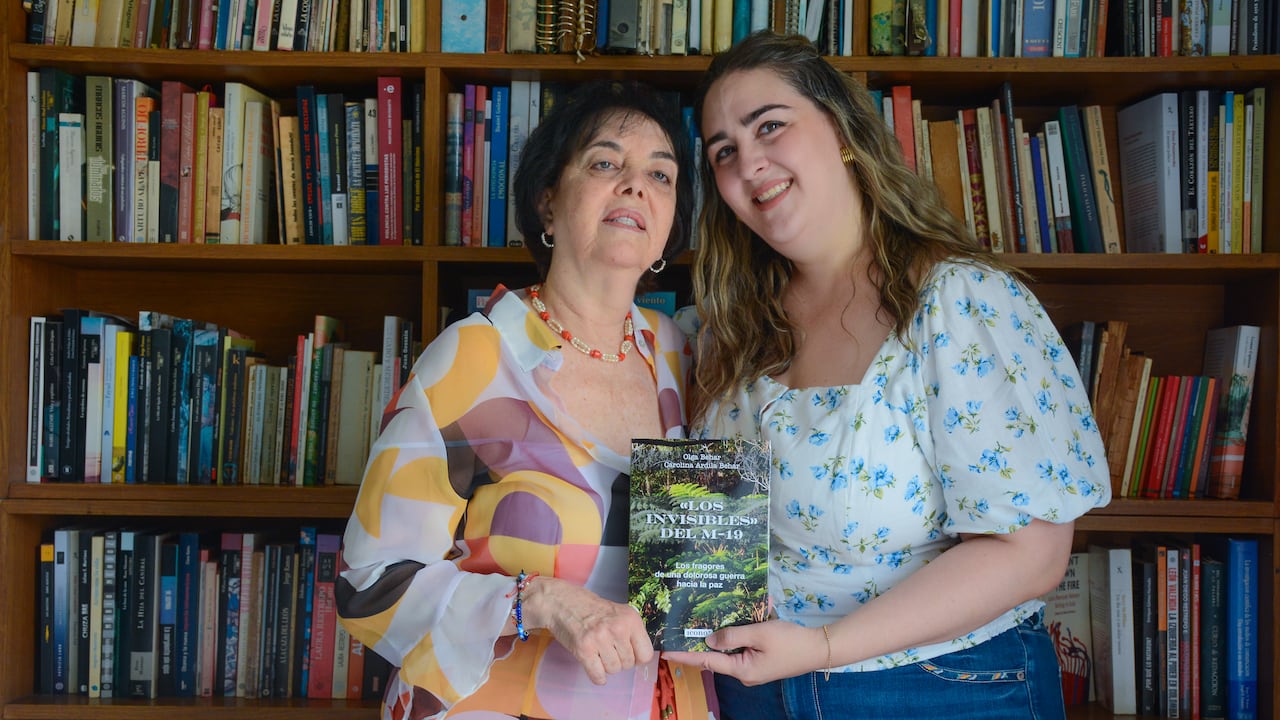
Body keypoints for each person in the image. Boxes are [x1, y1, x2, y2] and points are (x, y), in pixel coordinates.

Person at [663, 31, 1112, 720]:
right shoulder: (725, 327)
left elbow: (1032, 556)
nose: (749, 163)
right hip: (752, 692)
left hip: (940, 690)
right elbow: (702, 545)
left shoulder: (962, 303)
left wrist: (820, 647)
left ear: (842, 131)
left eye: (769, 127)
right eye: (725, 151)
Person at [335, 80, 714, 720]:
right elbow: (369, 585)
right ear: (547, 200)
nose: (635, 184)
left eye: (662, 174)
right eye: (604, 163)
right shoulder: (473, 360)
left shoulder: (684, 358)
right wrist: (535, 601)